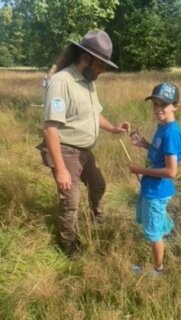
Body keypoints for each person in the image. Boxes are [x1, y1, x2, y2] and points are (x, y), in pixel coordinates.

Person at [37, 30, 130, 257]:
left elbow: (94, 114)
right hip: (66, 151)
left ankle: (96, 222)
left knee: (98, 185)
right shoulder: (61, 82)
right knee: (70, 201)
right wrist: (60, 170)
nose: (104, 69)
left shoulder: (88, 81)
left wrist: (113, 129)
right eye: (102, 64)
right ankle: (69, 244)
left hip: (85, 152)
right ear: (86, 58)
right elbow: (50, 129)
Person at [129, 82, 181, 275]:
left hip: (157, 191)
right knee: (154, 224)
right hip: (152, 188)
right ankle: (164, 236)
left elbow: (171, 171)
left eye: (163, 104)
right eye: (155, 104)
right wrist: (144, 143)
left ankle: (158, 270)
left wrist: (141, 169)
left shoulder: (171, 133)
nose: (158, 109)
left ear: (175, 106)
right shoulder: (162, 127)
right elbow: (159, 153)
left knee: (154, 234)